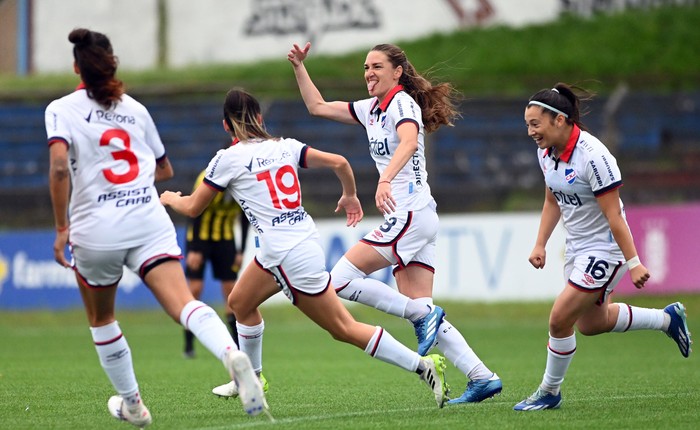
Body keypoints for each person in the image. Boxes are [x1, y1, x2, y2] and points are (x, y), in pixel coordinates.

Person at [160, 88, 450, 409]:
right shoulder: (286, 146)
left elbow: (192, 208)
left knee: (343, 328)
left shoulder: (227, 158)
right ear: (259, 118)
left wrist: (170, 198)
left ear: (226, 126)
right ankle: (251, 380)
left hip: (286, 256)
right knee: (240, 303)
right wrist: (350, 195)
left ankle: (422, 366)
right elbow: (340, 162)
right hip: (293, 245)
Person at [45, 28, 267, 428]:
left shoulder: (61, 109)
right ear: (113, 63)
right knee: (186, 303)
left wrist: (62, 227)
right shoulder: (136, 109)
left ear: (77, 67)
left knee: (102, 319)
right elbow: (163, 168)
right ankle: (233, 357)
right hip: (147, 219)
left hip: (96, 226)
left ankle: (133, 404)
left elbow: (60, 166)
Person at [285, 42, 502, 404]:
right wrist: (299, 67)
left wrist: (384, 179)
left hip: (410, 215)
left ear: (397, 72)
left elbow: (409, 140)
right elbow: (317, 106)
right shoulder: (372, 108)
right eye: (365, 67)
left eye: (376, 66)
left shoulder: (402, 102)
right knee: (423, 309)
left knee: (337, 282)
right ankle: (482, 377)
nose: (368, 73)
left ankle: (421, 314)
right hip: (417, 218)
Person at [513, 83, 692, 411]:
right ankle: (668, 320)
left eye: (535, 124)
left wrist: (634, 261)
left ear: (560, 120)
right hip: (578, 247)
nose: (530, 132)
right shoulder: (545, 152)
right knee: (591, 324)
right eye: (527, 124)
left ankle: (549, 391)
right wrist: (540, 243)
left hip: (604, 250)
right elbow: (552, 198)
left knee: (559, 320)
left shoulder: (594, 157)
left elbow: (614, 216)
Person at [182, 168, 250, 359]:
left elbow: (245, 216)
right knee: (195, 289)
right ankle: (188, 345)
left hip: (226, 241)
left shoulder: (244, 179)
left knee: (232, 292)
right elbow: (194, 210)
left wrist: (240, 250)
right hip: (200, 240)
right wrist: (194, 248)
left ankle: (238, 347)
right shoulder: (207, 176)